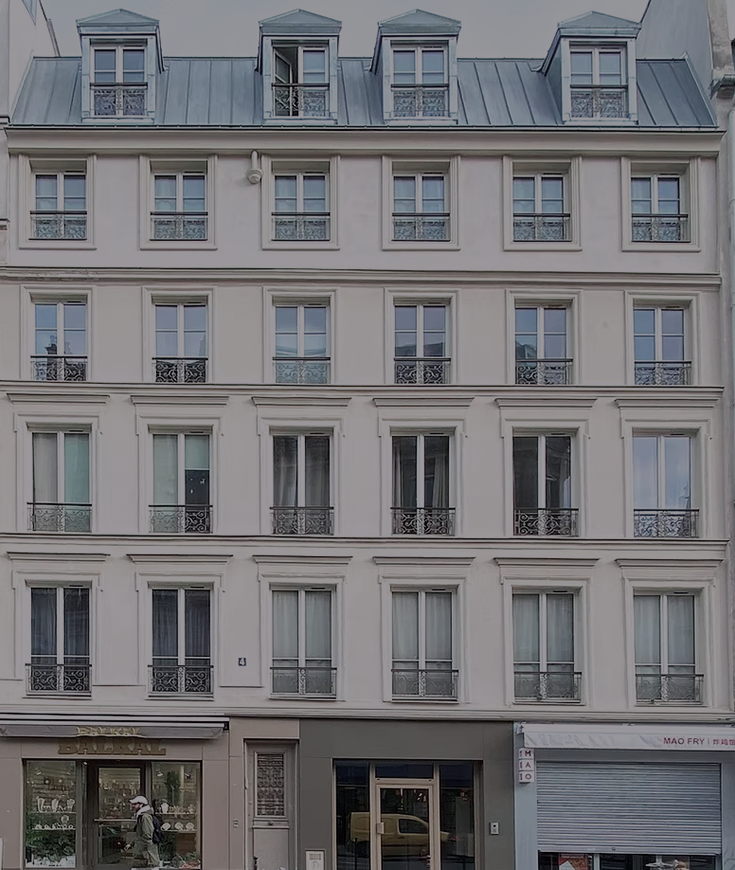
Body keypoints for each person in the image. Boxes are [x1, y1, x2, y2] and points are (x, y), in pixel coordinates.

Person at [129, 795, 159, 869]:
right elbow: (140, 834)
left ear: (141, 805)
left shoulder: (145, 817)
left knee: (151, 867)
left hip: (145, 852)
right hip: (144, 851)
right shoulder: (142, 816)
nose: (133, 806)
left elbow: (147, 835)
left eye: (135, 804)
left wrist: (143, 850)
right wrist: (132, 843)